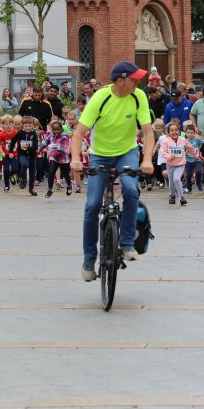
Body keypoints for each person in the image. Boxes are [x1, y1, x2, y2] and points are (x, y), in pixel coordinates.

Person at [69, 61, 154, 281]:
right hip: (100, 154)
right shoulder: (100, 98)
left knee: (131, 190)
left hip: (127, 152)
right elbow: (78, 133)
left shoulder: (138, 96)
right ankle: (89, 258)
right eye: (134, 79)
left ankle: (127, 243)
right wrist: (76, 159)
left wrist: (146, 160)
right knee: (92, 205)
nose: (138, 82)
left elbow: (148, 132)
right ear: (121, 80)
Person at [159, 120, 192, 206]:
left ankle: (181, 197)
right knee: (171, 182)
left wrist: (196, 155)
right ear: (168, 132)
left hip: (180, 164)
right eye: (172, 130)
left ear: (179, 131)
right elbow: (163, 152)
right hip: (170, 165)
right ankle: (172, 195)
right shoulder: (166, 141)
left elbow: (190, 147)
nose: (174, 132)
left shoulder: (183, 139)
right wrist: (169, 156)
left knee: (176, 179)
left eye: (176, 130)